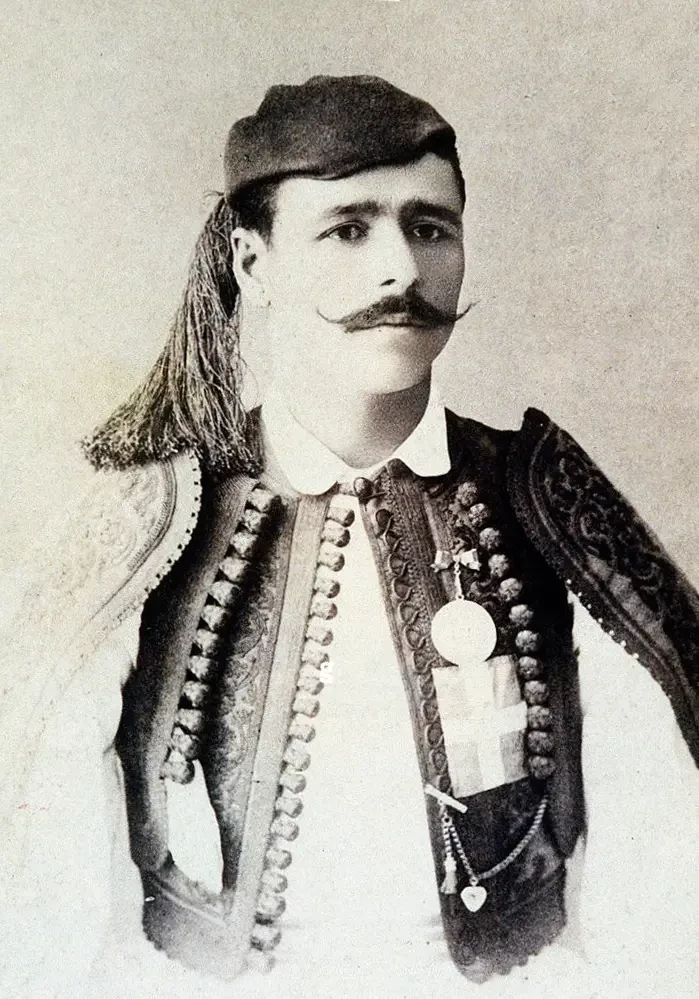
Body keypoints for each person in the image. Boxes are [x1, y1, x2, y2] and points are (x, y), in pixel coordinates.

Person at [1, 75, 697, 999]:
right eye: (346, 230)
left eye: (430, 227)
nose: (400, 270)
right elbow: (44, 900)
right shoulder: (154, 517)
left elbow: (662, 883)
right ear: (252, 264)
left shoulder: (546, 498)